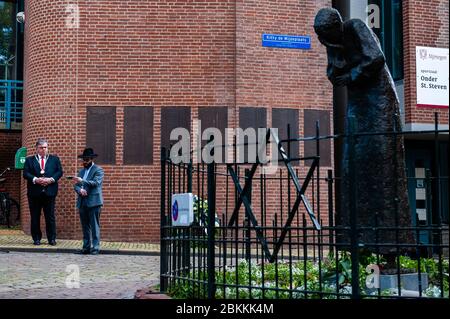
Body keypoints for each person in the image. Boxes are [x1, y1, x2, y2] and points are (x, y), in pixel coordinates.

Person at [313, 8, 414, 256]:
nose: (323, 39)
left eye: (326, 33)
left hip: (379, 100)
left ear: (336, 24)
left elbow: (375, 57)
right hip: (357, 103)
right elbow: (332, 72)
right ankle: (357, 239)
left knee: (381, 163)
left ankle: (390, 240)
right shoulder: (333, 42)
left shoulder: (355, 26)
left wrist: (350, 74)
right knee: (352, 164)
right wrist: (337, 69)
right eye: (320, 36)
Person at [23, 138, 63, 245]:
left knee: (50, 216)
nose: (44, 150)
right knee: (35, 216)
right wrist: (36, 179)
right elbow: (26, 174)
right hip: (34, 193)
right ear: (37, 149)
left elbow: (59, 172)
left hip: (49, 192)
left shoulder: (54, 159)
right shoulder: (29, 160)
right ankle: (36, 238)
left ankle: (52, 239)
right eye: (41, 148)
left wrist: (51, 180)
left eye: (45, 147)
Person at [72, 148, 104, 255]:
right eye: (83, 160)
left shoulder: (98, 170)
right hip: (82, 201)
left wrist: (82, 181)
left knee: (94, 226)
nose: (84, 162)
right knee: (85, 226)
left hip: (94, 202)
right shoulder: (81, 171)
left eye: (86, 160)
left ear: (91, 159)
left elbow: (96, 183)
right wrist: (80, 190)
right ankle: (86, 247)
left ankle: (95, 248)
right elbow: (76, 185)